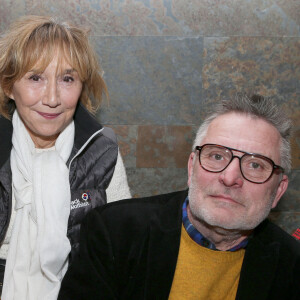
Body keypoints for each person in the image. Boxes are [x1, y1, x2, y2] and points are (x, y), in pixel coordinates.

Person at [59, 94, 300, 300]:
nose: (230, 177)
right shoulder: (114, 232)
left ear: (278, 190)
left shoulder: (292, 266)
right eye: (217, 156)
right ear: (191, 167)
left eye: (256, 165)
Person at [0, 15, 131, 299]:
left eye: (67, 79)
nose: (52, 98)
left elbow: (121, 250)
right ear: (9, 86)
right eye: (35, 77)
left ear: (82, 86)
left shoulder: (101, 151)